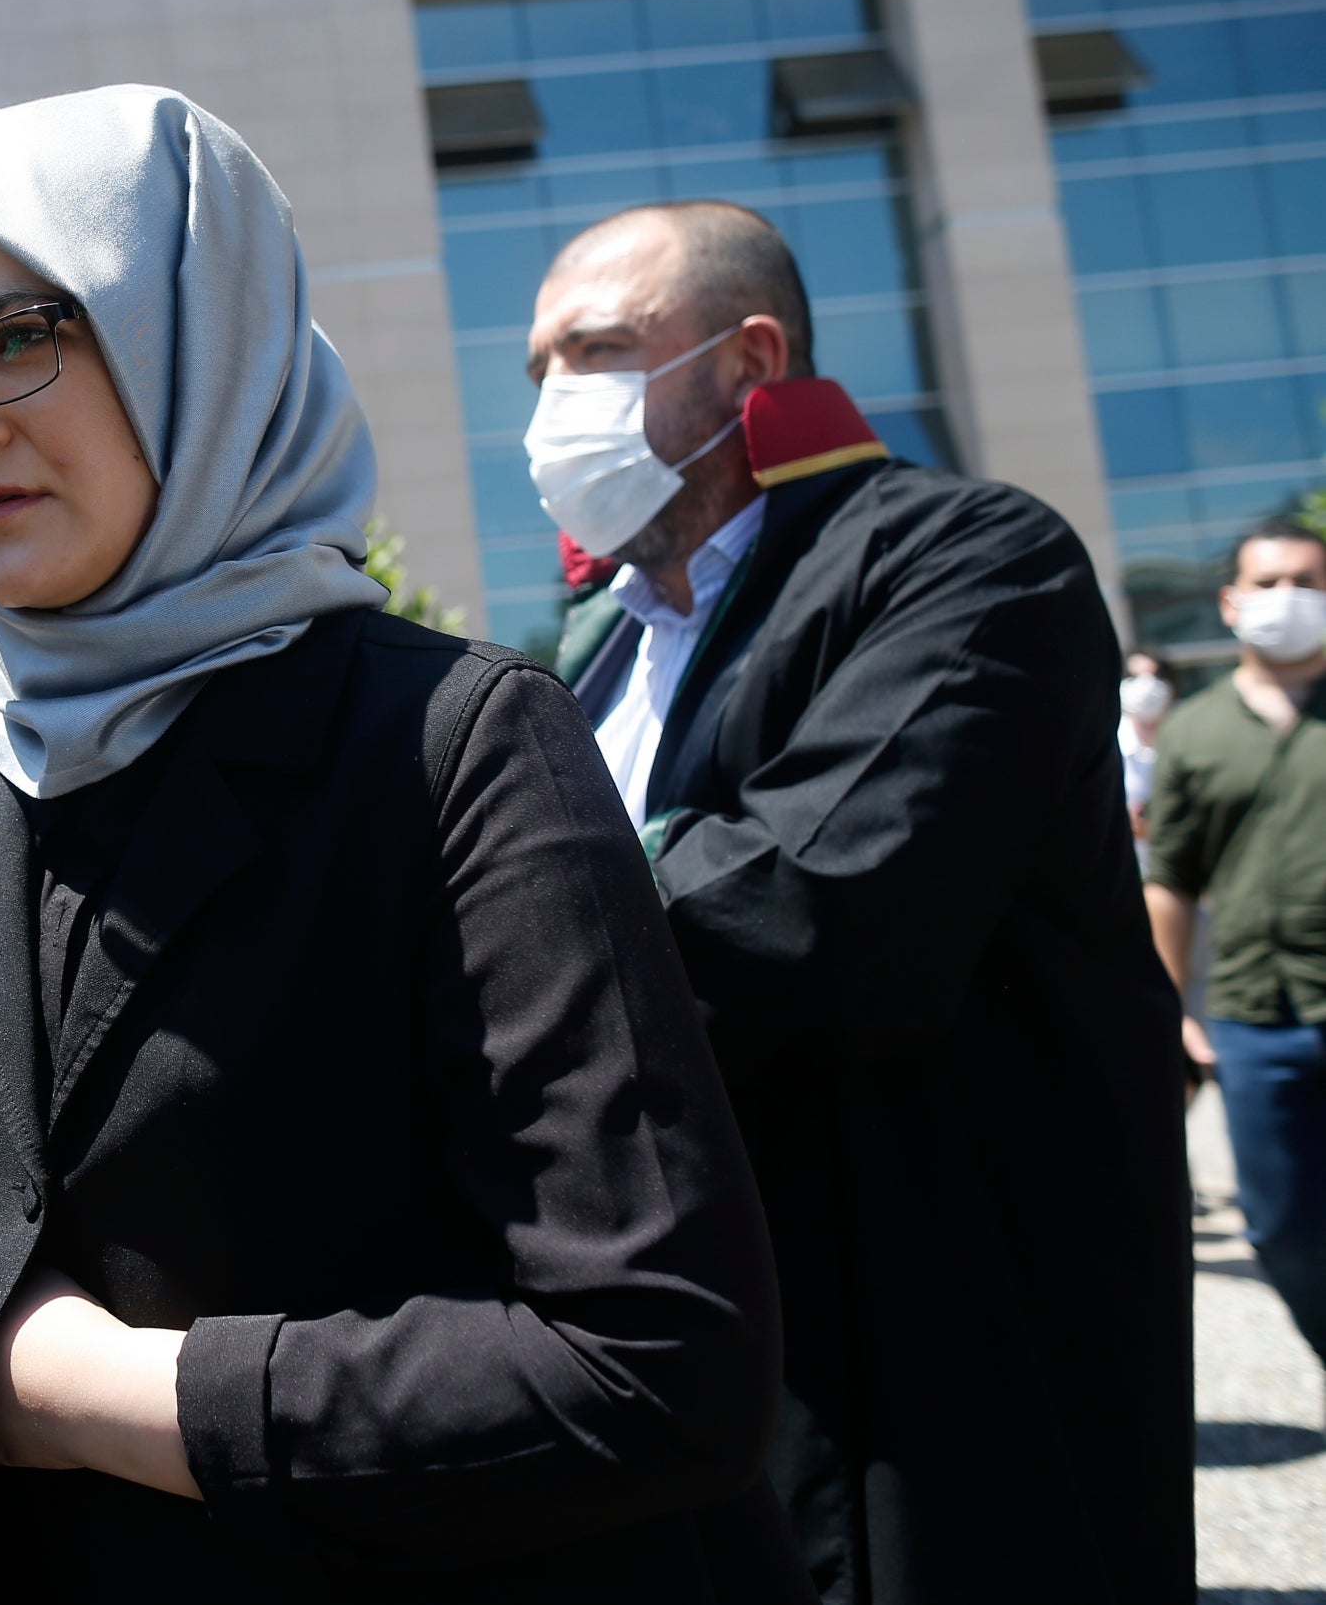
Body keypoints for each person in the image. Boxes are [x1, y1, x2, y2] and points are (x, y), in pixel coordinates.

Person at [0, 85, 790, 1603]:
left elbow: (661, 1364)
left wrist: (110, 1396)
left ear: (190, 332)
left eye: (16, 334)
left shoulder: (454, 739)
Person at [533, 200, 1192, 1602]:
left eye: (593, 354)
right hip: (694, 1334)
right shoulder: (592, 651)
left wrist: (499, 918)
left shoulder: (969, 558)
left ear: (749, 358)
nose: (550, 405)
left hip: (933, 1316)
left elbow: (810, 908)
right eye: (535, 371)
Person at [1145, 516, 1326, 1373]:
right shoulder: (1192, 732)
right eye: (1268, 583)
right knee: (1283, 1226)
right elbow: (1169, 880)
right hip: (1257, 1015)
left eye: (1307, 583)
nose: (1288, 599)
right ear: (1229, 602)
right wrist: (1172, 1003)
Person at [1120, 652, 1176, 873]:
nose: (1146, 686)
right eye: (1134, 677)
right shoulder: (1104, 744)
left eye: (1155, 676)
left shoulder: (1189, 740)